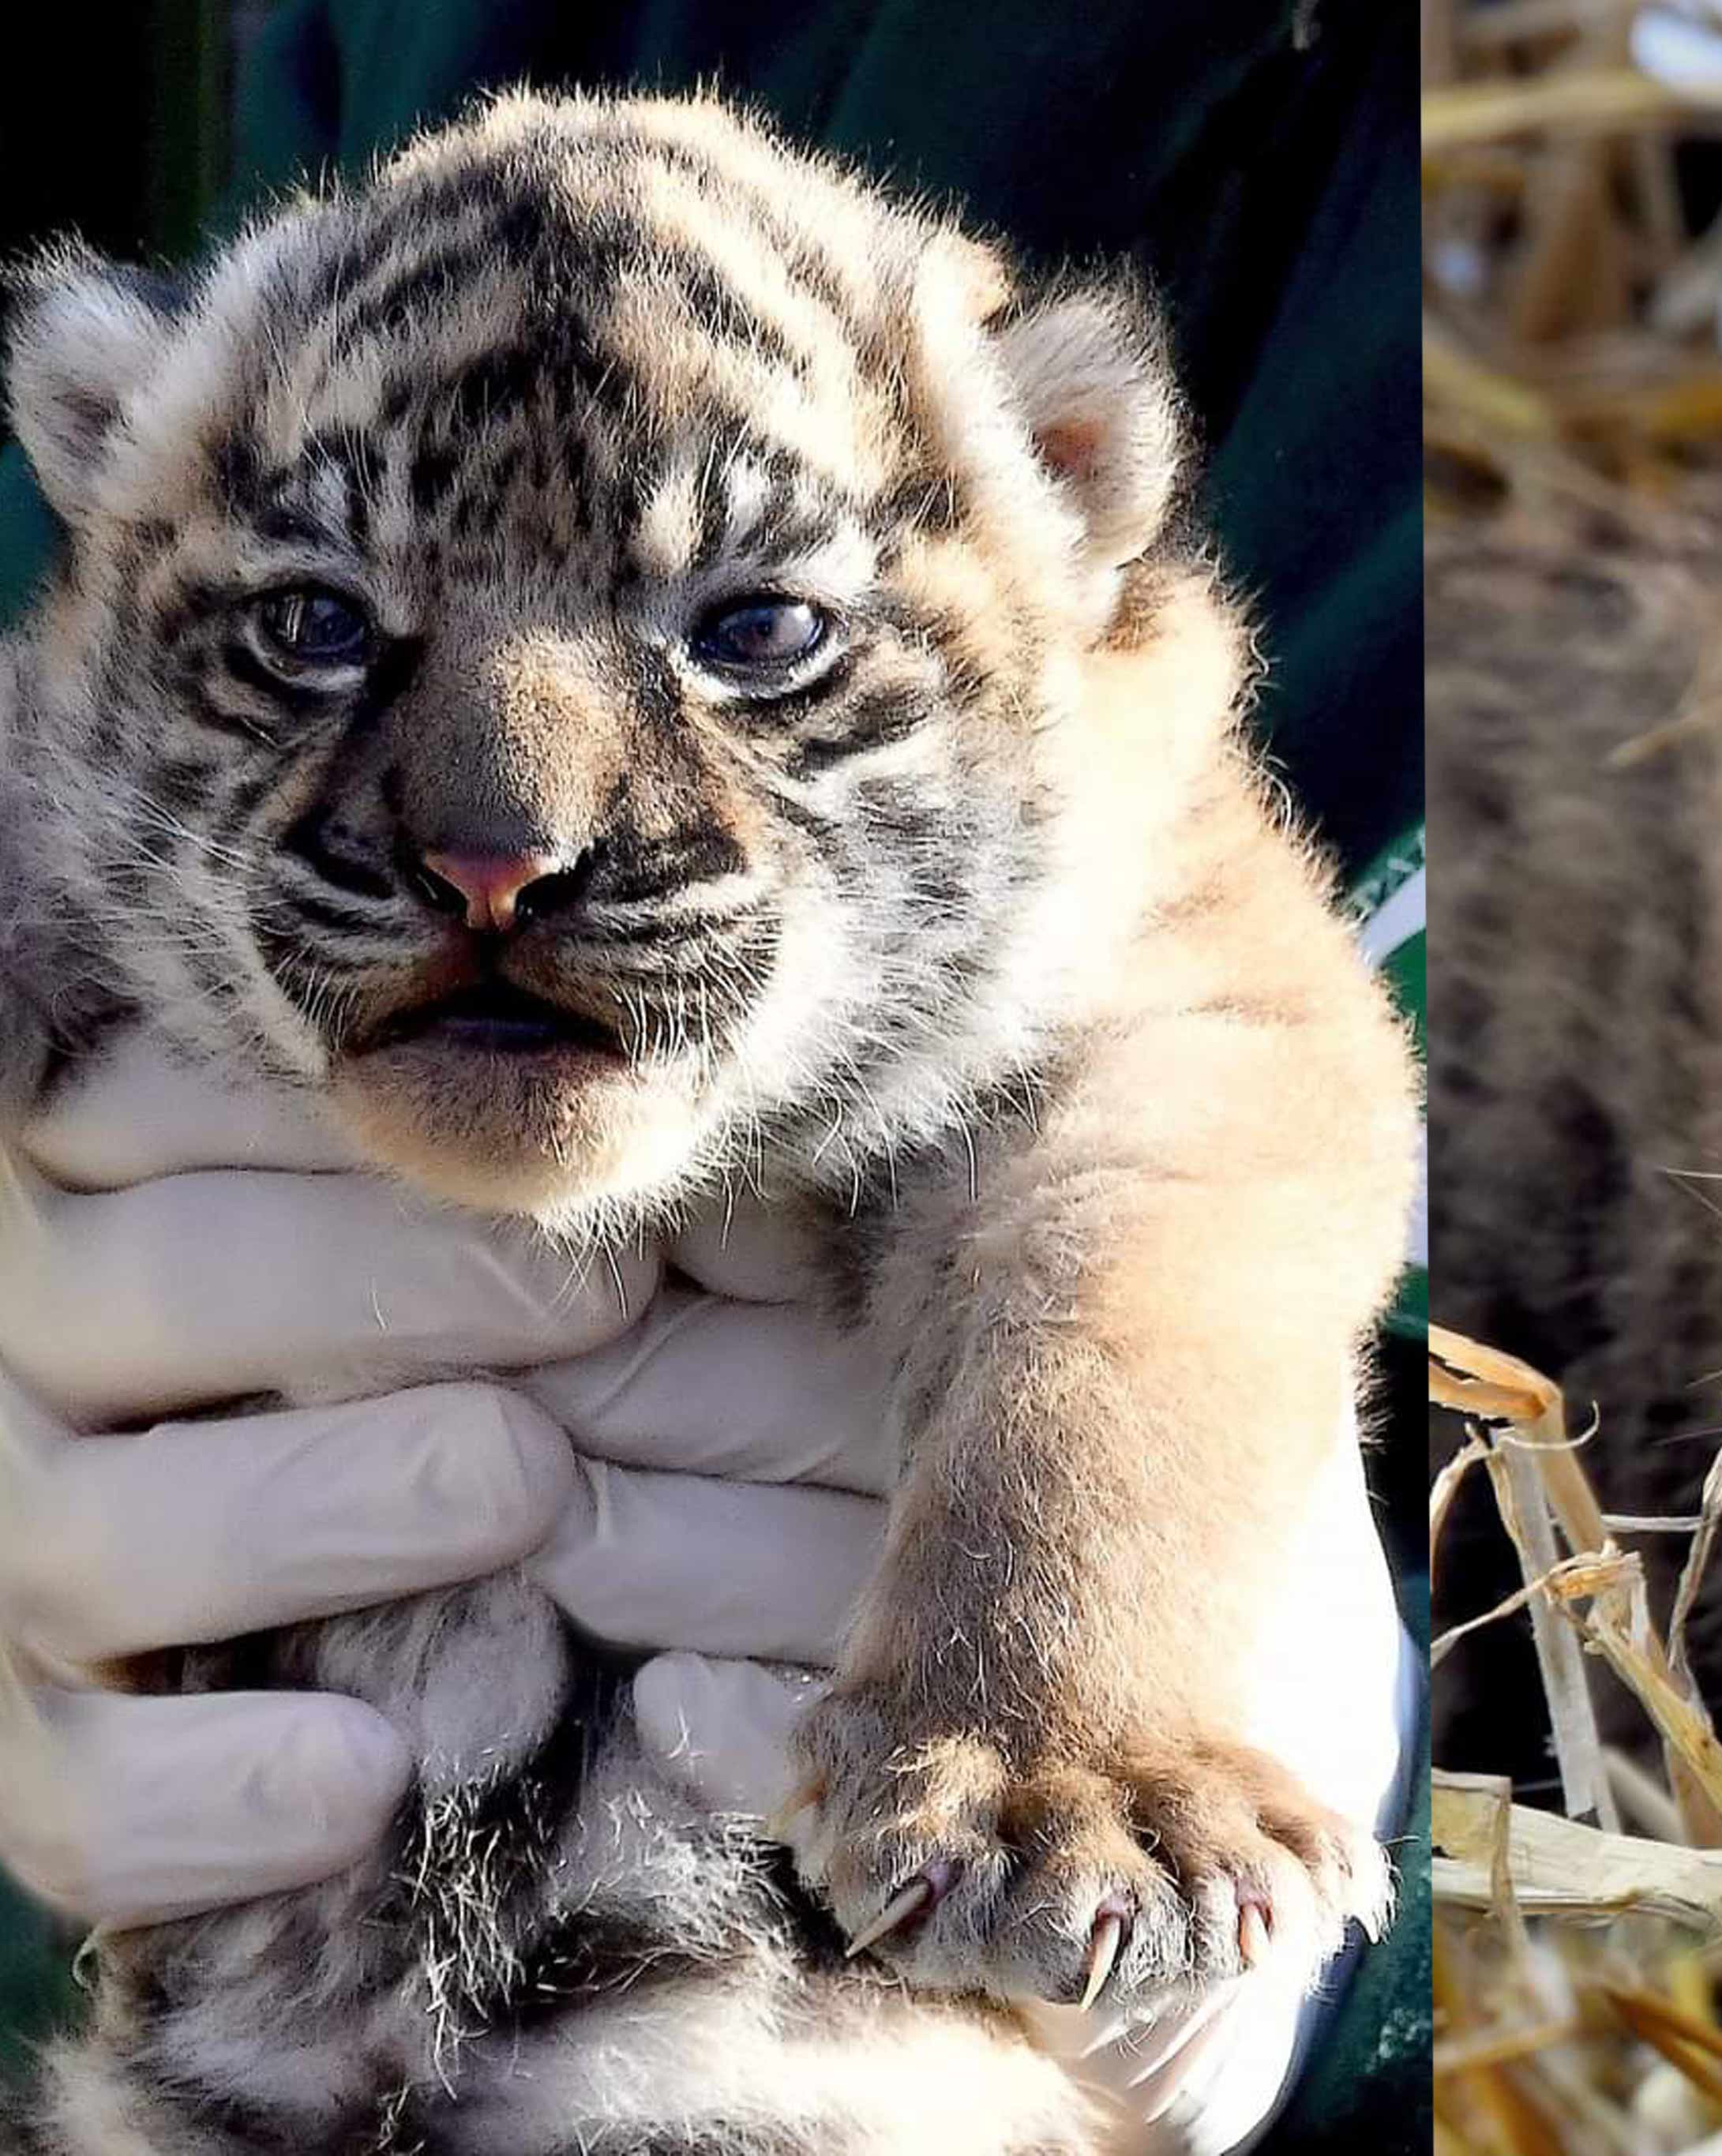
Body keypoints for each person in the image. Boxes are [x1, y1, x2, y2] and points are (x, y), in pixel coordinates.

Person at [0, 5, 1427, 2149]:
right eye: (315, 623)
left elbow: (1214, 1141)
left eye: (755, 636)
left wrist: (1111, 1691)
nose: (504, 832)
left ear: (1070, 511)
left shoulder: (1144, 852)